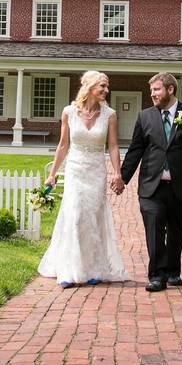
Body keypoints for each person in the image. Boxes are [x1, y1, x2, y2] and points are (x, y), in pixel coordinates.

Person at [110, 72, 182, 292]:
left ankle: (173, 271)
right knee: (154, 230)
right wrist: (122, 178)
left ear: (170, 89)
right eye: (151, 90)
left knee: (176, 230)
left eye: (156, 89)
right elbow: (136, 150)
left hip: (181, 186)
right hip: (151, 186)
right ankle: (156, 275)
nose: (152, 94)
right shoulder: (145, 117)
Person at [38, 71, 129, 288]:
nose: (106, 90)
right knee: (75, 215)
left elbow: (113, 146)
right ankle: (69, 270)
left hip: (97, 171)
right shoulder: (69, 112)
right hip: (75, 170)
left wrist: (118, 173)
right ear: (89, 87)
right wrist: (52, 175)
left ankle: (94, 268)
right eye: (102, 86)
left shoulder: (110, 115)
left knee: (93, 218)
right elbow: (63, 145)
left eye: (107, 86)